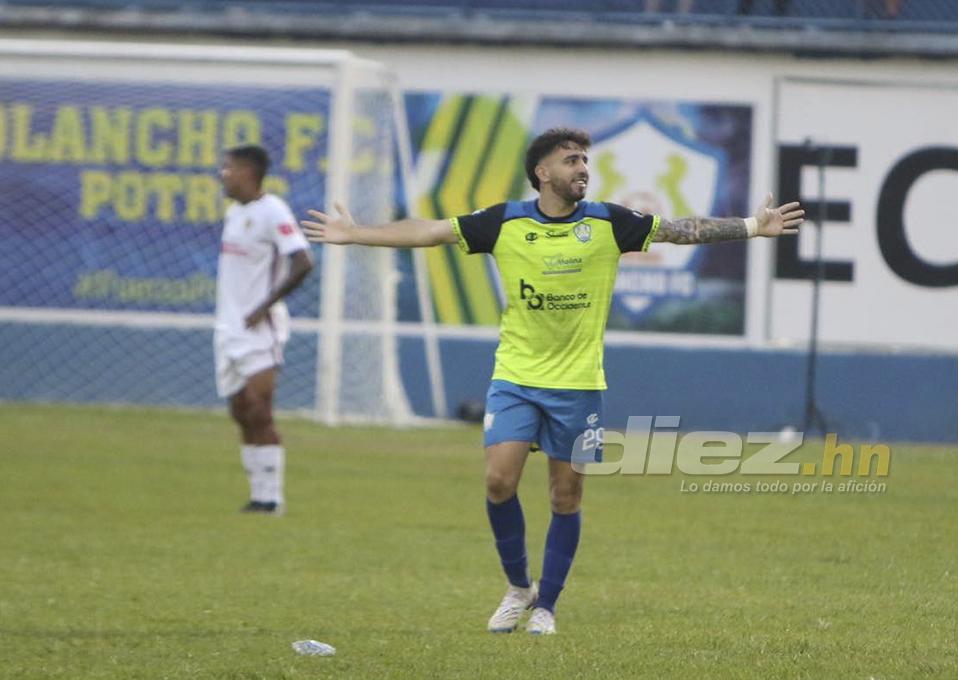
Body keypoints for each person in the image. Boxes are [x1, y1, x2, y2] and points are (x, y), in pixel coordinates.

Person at [301, 127, 804, 635]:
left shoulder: (610, 221)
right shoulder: (505, 222)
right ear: (542, 173)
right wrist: (357, 232)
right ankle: (519, 588)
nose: (582, 168)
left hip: (579, 384)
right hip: (515, 376)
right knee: (499, 481)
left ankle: (548, 606)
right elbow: (430, 231)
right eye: (570, 160)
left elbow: (679, 229)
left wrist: (750, 225)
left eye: (585, 160)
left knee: (566, 497)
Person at [215, 144, 313, 516]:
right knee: (240, 409)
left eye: (229, 168)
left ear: (248, 172)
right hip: (228, 328)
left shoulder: (273, 211)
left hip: (260, 329)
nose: (223, 174)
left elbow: (303, 262)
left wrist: (264, 307)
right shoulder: (235, 213)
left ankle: (273, 499)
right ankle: (257, 496)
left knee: (259, 409)